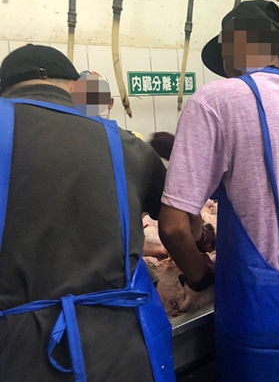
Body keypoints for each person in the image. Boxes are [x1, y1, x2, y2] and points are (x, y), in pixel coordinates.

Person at [159, 0, 279, 382]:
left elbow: (174, 227)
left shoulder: (215, 100)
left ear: (230, 52)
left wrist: (201, 279)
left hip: (265, 329)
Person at [0, 44, 174, 382]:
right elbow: (176, 224)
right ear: (73, 86)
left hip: (16, 354)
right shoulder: (127, 145)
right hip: (121, 351)